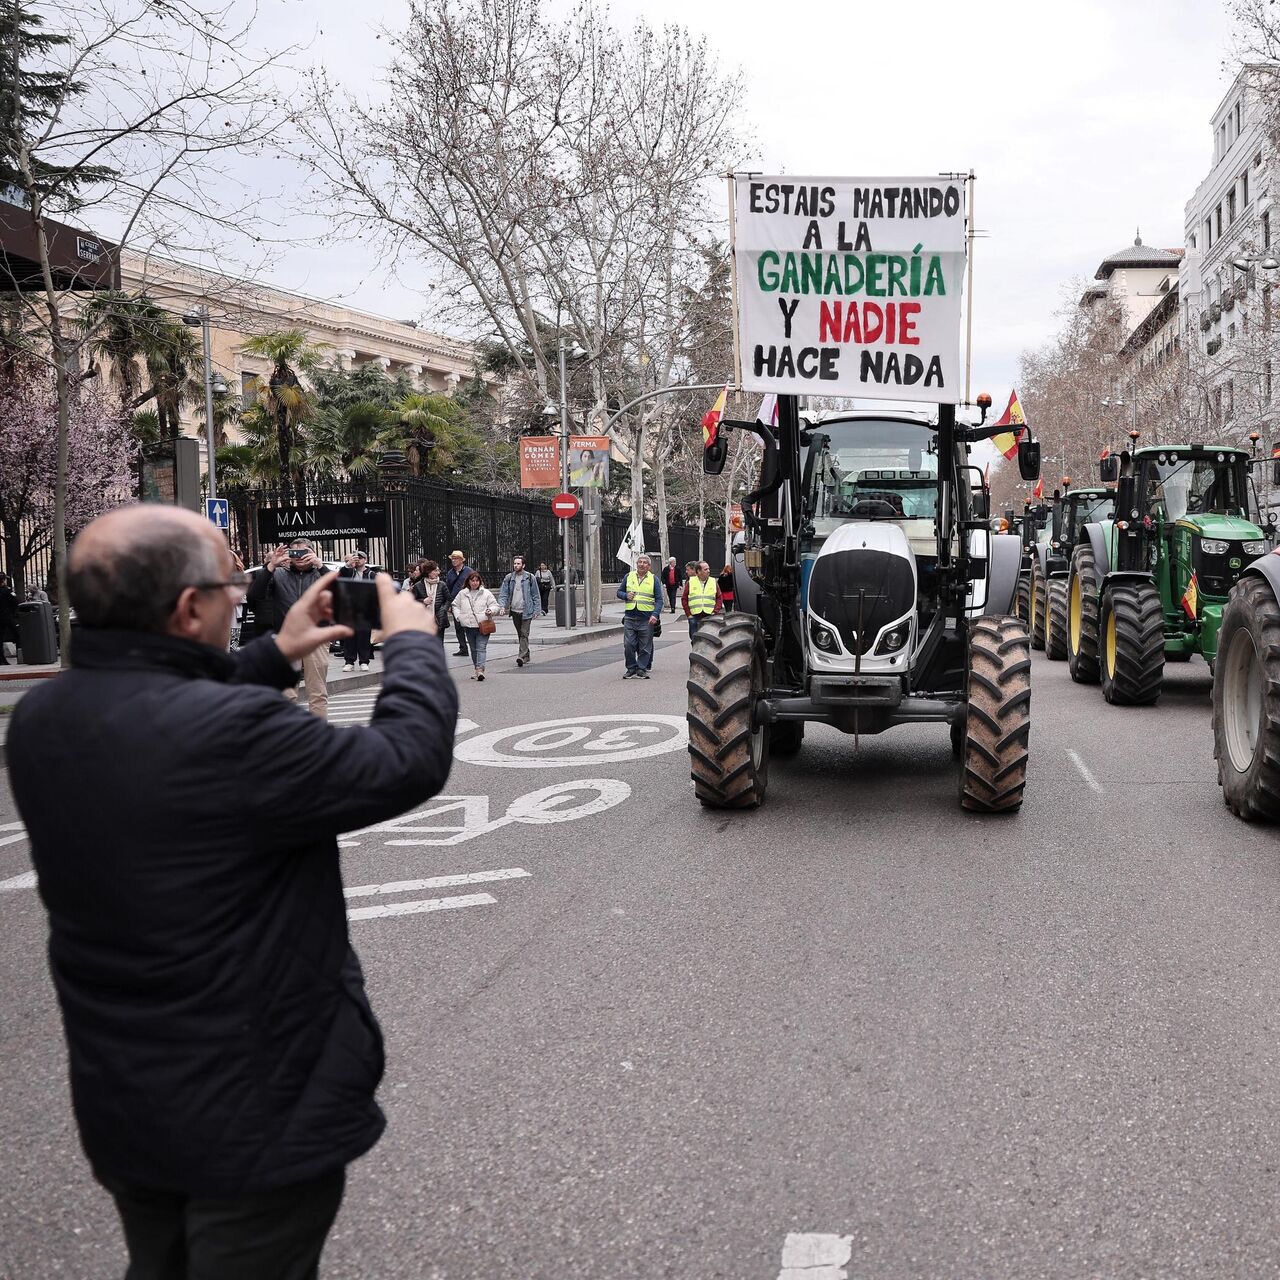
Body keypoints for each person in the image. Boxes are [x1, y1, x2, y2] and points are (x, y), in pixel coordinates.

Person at [6, 504, 457, 1280]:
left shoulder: (43, 718)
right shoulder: (237, 734)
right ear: (188, 609)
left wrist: (274, 653)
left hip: (128, 1102)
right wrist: (413, 641)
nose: (245, 592)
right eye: (233, 582)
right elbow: (406, 758)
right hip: (255, 1108)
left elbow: (159, 707)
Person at [246, 538, 333, 717]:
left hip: (315, 637)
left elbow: (341, 593)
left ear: (312, 553)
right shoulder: (278, 574)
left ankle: (317, 738)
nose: (299, 557)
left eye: (304, 552)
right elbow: (254, 596)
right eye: (295, 553)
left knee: (317, 692)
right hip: (287, 638)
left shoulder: (321, 574)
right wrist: (270, 566)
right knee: (286, 693)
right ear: (288, 554)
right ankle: (288, 735)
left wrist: (320, 565)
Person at [616, 553, 661, 679]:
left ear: (649, 566)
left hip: (646, 618)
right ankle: (631, 668)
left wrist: (655, 615)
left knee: (645, 646)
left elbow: (659, 600)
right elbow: (619, 592)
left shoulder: (654, 579)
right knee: (628, 644)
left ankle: (641, 669)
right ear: (636, 564)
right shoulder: (628, 576)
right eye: (639, 562)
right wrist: (625, 595)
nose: (641, 564)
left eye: (644, 562)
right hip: (630, 617)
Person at [451, 569, 499, 680]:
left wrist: (490, 610)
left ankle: (480, 670)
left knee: (481, 648)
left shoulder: (486, 593)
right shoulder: (462, 593)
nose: (474, 583)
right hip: (469, 626)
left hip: (483, 625)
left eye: (477, 581)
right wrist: (459, 617)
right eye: (472, 581)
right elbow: (455, 605)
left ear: (480, 582)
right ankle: (476, 668)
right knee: (473, 649)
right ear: (468, 582)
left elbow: (495, 605)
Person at [497, 554, 543, 667]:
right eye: (515, 563)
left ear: (523, 565)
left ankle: (521, 656)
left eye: (518, 563)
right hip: (515, 610)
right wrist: (502, 606)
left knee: (524, 633)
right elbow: (503, 593)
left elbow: (535, 595)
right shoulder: (509, 578)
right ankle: (526, 655)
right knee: (520, 633)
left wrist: (537, 610)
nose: (516, 565)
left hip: (527, 610)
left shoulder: (530, 577)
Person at [338, 551, 375, 671]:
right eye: (355, 558)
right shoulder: (349, 572)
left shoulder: (371, 574)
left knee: (364, 636)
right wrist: (349, 564)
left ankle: (364, 661)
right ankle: (349, 661)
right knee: (349, 636)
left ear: (365, 560)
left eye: (360, 558)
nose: (357, 560)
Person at [445, 549, 475, 658]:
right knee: (458, 626)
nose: (454, 560)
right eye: (452, 558)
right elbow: (448, 588)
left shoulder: (469, 571)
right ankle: (463, 648)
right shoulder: (450, 573)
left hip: (467, 601)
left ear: (462, 560)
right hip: (455, 602)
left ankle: (473, 646)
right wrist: (448, 604)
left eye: (456, 558)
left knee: (469, 625)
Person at [682, 560, 724, 638]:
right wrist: (688, 614)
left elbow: (719, 597)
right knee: (695, 639)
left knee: (710, 638)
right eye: (705, 569)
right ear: (699, 571)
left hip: (710, 616)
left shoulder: (713, 581)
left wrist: (715, 611)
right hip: (694, 616)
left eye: (708, 569)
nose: (708, 571)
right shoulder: (690, 582)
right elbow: (684, 599)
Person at [413, 559, 452, 633]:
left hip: (439, 618)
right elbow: (412, 602)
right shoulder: (418, 585)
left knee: (439, 643)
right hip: (423, 619)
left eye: (438, 570)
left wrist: (443, 610)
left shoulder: (442, 584)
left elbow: (449, 599)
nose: (438, 573)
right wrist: (423, 601)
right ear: (429, 572)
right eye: (435, 570)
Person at [0, 572, 18, 665]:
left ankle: (1, 659)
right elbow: (15, 601)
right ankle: (22, 655)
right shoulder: (6, 591)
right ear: (3, 580)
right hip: (6, 616)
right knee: (18, 633)